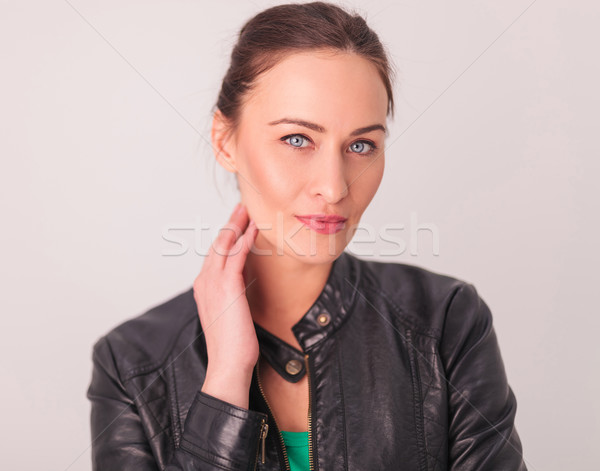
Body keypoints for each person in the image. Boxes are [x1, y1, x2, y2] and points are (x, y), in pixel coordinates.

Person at [87, 2, 527, 470]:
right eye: (297, 139)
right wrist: (225, 381)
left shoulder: (447, 322)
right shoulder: (132, 364)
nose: (335, 187)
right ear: (224, 140)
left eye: (361, 145)